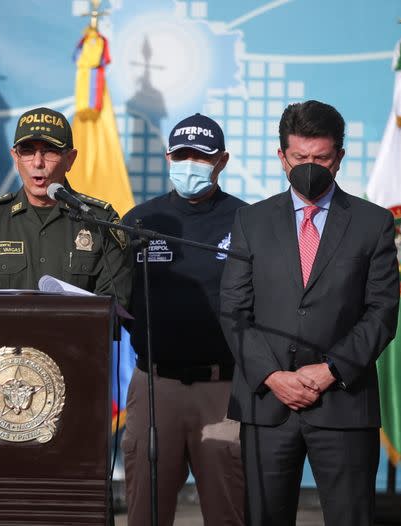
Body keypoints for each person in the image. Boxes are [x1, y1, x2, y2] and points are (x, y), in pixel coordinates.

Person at [219, 100, 400, 526]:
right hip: (267, 404)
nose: (310, 166)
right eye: (300, 157)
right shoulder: (251, 221)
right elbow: (233, 310)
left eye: (321, 157)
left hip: (343, 402)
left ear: (339, 157)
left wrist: (330, 370)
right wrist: (271, 376)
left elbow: (382, 311)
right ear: (282, 156)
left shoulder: (373, 223)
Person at [121, 113, 245, 525]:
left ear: (222, 161)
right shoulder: (139, 221)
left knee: (229, 513)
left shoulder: (249, 222)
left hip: (223, 389)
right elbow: (122, 301)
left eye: (201, 156)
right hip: (155, 387)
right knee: (144, 514)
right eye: (181, 154)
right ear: (167, 157)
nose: (189, 163)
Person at [0, 106, 130, 306]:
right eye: (27, 152)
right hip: (6, 337)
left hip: (74, 337)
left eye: (50, 152)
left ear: (70, 159)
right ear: (15, 158)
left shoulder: (100, 221)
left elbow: (115, 306)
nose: (38, 163)